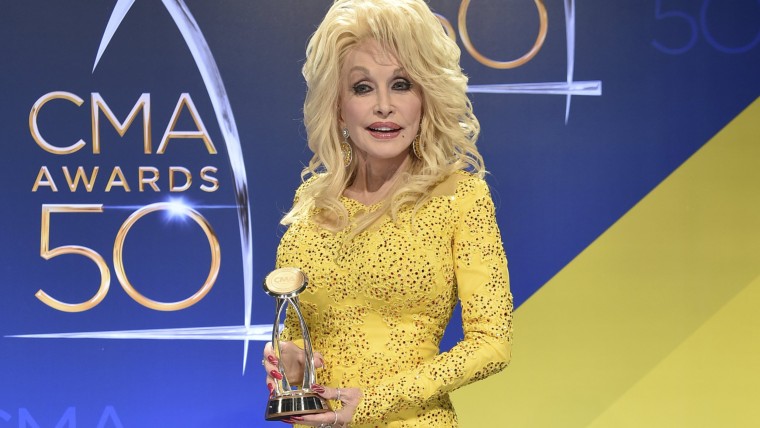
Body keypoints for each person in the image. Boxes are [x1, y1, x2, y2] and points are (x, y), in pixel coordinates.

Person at [263, 0, 513, 426]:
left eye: (401, 84)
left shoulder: (460, 198)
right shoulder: (312, 206)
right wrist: (288, 362)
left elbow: (493, 343)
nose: (383, 105)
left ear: (426, 97)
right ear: (339, 106)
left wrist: (373, 403)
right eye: (363, 87)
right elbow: (297, 331)